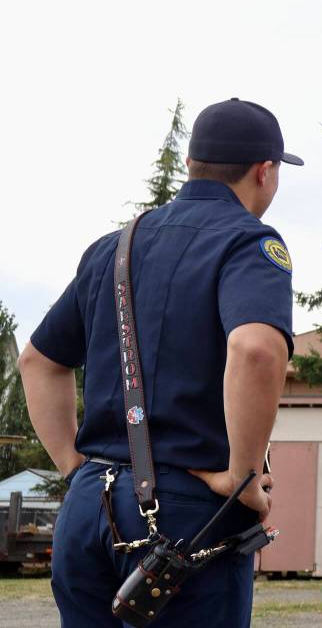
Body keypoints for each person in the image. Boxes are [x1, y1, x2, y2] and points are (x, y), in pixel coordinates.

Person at [18, 97, 303, 626]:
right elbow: (256, 349)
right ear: (265, 172)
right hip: (184, 512)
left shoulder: (111, 248)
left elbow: (37, 361)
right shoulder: (248, 241)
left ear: (193, 165)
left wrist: (74, 468)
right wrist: (240, 475)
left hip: (86, 511)